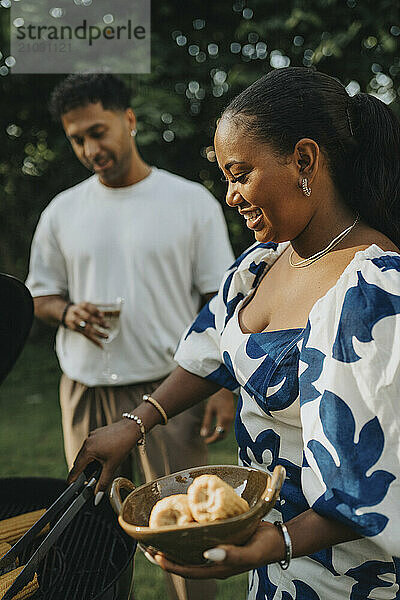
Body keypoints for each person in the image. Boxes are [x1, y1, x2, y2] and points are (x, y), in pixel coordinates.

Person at [68, 67, 400, 599]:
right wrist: (136, 422)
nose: (230, 195)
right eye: (226, 177)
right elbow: (211, 350)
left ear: (305, 161)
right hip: (270, 560)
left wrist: (272, 545)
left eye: (240, 173)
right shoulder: (264, 263)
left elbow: (367, 485)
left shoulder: (371, 289)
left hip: (341, 577)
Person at [26, 73, 236, 600]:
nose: (90, 148)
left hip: (168, 395)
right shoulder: (62, 211)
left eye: (98, 132)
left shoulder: (190, 202)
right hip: (85, 392)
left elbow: (224, 302)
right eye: (77, 140)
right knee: (89, 535)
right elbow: (39, 295)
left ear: (129, 120)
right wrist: (68, 312)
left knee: (184, 535)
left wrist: (225, 387)